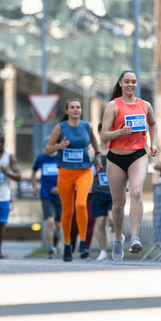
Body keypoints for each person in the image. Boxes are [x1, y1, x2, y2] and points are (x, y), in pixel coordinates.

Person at [100, 70, 158, 261]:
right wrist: (120, 132)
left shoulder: (145, 105)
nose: (130, 85)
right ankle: (118, 238)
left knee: (136, 192)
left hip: (138, 155)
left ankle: (135, 237)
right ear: (121, 83)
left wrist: (153, 143)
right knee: (118, 205)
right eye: (127, 82)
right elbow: (104, 135)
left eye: (133, 82)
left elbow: (153, 124)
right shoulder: (113, 106)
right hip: (116, 157)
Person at [45, 98, 101, 262]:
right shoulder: (60, 127)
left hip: (84, 172)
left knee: (81, 204)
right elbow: (47, 149)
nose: (76, 110)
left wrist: (97, 156)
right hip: (65, 173)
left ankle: (83, 242)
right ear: (67, 111)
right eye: (72, 107)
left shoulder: (87, 126)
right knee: (68, 211)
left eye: (78, 107)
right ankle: (68, 245)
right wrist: (58, 147)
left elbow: (95, 142)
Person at [31, 137, 62, 259]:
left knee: (58, 225)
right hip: (46, 194)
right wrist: (34, 186)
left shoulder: (60, 157)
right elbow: (33, 173)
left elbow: (67, 175)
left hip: (60, 195)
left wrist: (60, 188)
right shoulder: (41, 158)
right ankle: (50, 248)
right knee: (50, 221)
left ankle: (55, 243)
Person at [91, 123, 113, 261]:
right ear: (99, 133)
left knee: (111, 218)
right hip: (98, 190)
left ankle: (116, 232)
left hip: (113, 191)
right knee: (100, 222)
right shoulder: (93, 150)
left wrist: (127, 183)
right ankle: (103, 251)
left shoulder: (115, 149)